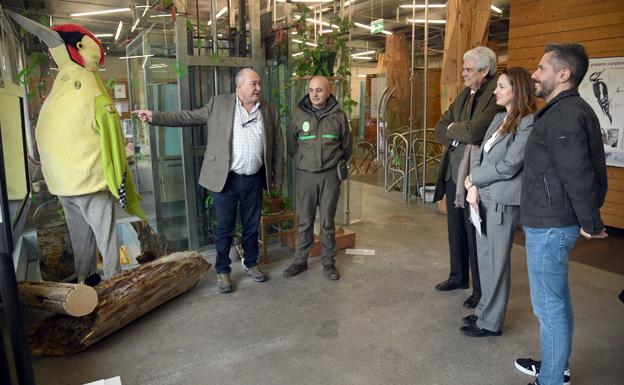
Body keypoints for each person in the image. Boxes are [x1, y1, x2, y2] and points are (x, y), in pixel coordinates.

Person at [134, 68, 283, 293]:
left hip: (254, 178)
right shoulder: (219, 104)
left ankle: (251, 263)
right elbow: (188, 117)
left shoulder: (269, 111)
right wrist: (155, 117)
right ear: (239, 86)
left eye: (259, 84)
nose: (258, 88)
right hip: (226, 179)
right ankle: (223, 270)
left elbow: (277, 147)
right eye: (253, 84)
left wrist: (276, 179)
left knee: (252, 227)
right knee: (224, 228)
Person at [515, 43, 608, 385]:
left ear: (563, 74)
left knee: (548, 308)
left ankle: (552, 379)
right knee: (556, 303)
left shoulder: (566, 114)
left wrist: (591, 221)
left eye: (541, 68)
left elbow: (578, 173)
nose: (535, 74)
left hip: (551, 226)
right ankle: (557, 367)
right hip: (550, 223)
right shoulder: (563, 110)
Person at [459, 67, 536, 337]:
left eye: (501, 86)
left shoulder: (528, 122)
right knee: (485, 260)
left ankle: (491, 323)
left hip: (503, 201)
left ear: (517, 89)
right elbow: (480, 154)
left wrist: (473, 179)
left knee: (498, 263)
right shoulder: (498, 119)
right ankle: (483, 311)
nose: (495, 91)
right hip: (484, 197)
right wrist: (474, 181)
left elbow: (510, 165)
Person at [432, 46, 505, 308]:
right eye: (463, 68)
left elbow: (477, 131)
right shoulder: (464, 94)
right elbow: (440, 128)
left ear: (485, 71)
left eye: (468, 69)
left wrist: (455, 129)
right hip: (455, 172)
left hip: (477, 176)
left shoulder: (497, 94)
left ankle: (480, 290)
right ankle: (458, 276)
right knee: (456, 229)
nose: (463, 74)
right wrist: (454, 129)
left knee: (477, 233)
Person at [282, 76, 352, 280]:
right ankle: (300, 261)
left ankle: (328, 263)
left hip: (330, 175)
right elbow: (292, 145)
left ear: (329, 92)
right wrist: (305, 161)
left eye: (319, 90)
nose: (314, 94)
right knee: (305, 219)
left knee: (328, 221)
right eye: (311, 90)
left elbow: (347, 146)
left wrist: (334, 164)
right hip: (306, 175)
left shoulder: (339, 116)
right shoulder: (298, 114)